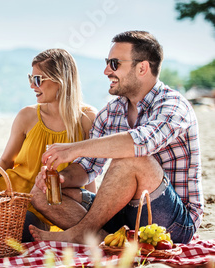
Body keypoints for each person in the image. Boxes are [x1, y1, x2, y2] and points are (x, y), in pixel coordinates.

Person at [29, 31, 203, 245]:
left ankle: (83, 232)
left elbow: (141, 143)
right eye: (107, 63)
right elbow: (87, 168)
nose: (106, 71)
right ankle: (102, 238)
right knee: (40, 193)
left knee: (132, 158)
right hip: (125, 214)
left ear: (142, 68)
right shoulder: (110, 113)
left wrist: (74, 148)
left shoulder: (174, 105)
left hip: (174, 223)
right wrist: (62, 178)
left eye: (114, 64)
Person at [0, 48, 97, 242]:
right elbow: (6, 161)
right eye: (30, 79)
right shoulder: (27, 116)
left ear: (60, 80)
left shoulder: (86, 119)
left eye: (38, 80)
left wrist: (90, 215)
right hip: (7, 192)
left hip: (44, 207)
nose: (32, 86)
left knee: (10, 228)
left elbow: (89, 171)